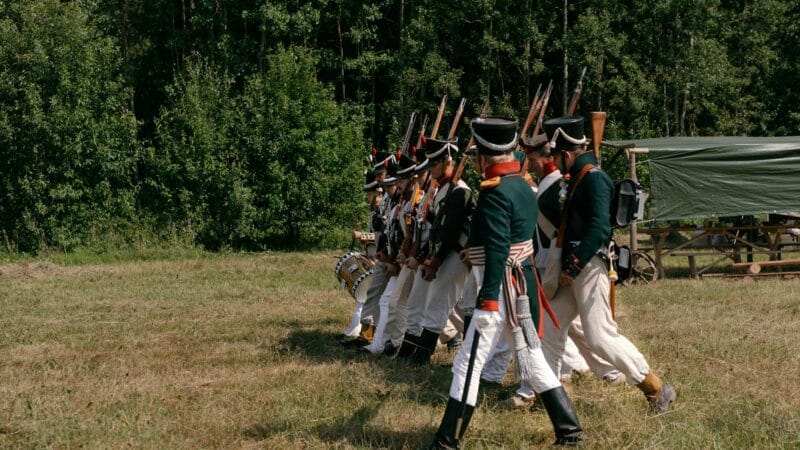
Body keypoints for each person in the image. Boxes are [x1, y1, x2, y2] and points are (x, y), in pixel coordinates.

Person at [429, 117, 582, 449]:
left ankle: (447, 441)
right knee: (532, 360)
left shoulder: (496, 192)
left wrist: (487, 301)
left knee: (467, 364)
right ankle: (569, 430)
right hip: (516, 288)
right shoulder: (520, 185)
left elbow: (498, 249)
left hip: (499, 290)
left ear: (485, 156)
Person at [541, 116, 676, 414]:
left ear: (567, 153)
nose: (553, 161)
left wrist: (572, 267)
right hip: (573, 267)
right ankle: (549, 397)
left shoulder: (595, 178)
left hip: (588, 265)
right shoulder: (577, 177)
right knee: (550, 325)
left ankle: (654, 387)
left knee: (599, 336)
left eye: (556, 155)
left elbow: (600, 229)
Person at [406, 136, 475, 365]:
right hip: (443, 254)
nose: (431, 168)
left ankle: (422, 356)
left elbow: (451, 233)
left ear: (447, 161)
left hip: (455, 253)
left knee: (438, 303)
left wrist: (435, 261)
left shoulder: (459, 191)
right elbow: (436, 230)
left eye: (435, 163)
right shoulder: (442, 189)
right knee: (441, 304)